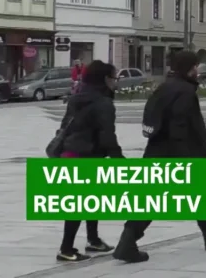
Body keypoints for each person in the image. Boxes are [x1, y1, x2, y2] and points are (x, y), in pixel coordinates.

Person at [112, 50, 206, 264]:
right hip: (177, 154)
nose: (197, 70)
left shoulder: (165, 87)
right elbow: (180, 128)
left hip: (157, 151)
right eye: (195, 66)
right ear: (189, 68)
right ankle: (127, 244)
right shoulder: (184, 92)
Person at [56, 60, 124, 262]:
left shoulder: (77, 98)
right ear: (105, 79)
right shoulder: (104, 103)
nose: (116, 82)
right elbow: (107, 135)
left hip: (70, 153)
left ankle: (93, 240)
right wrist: (119, 158)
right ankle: (66, 249)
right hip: (87, 155)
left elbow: (65, 125)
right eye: (114, 78)